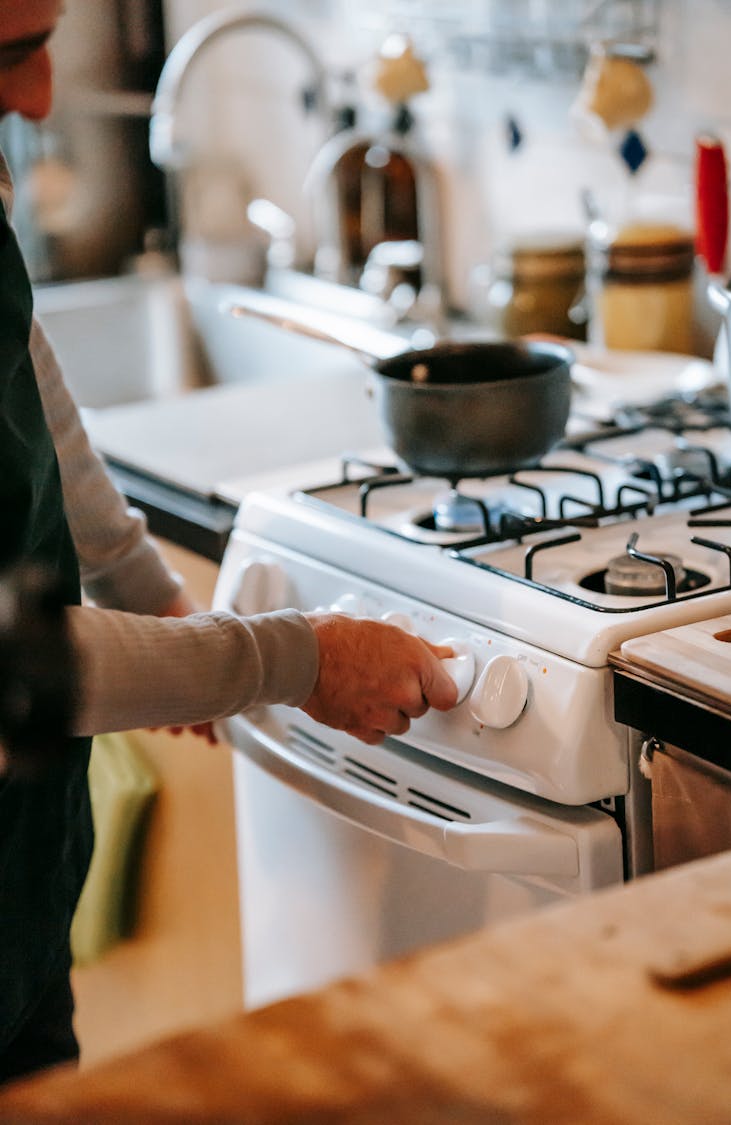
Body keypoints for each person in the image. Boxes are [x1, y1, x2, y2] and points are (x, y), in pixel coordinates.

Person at [0, 0, 458, 1084]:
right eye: (11, 56)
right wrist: (292, 659)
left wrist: (143, 583)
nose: (39, 99)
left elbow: (25, 373)